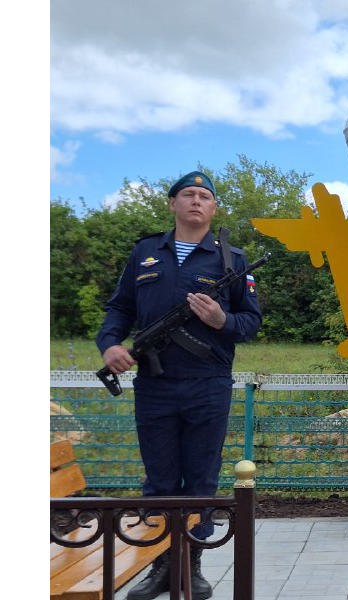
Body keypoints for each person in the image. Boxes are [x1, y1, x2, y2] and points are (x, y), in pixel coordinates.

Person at [96, 170, 262, 600]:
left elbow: (251, 323)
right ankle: (159, 567)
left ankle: (192, 565)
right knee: (159, 480)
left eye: (204, 196)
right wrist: (110, 344)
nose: (196, 200)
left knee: (201, 479)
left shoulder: (231, 260)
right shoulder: (146, 252)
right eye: (187, 194)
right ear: (172, 203)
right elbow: (120, 307)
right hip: (154, 383)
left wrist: (220, 320)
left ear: (213, 208)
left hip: (208, 383)